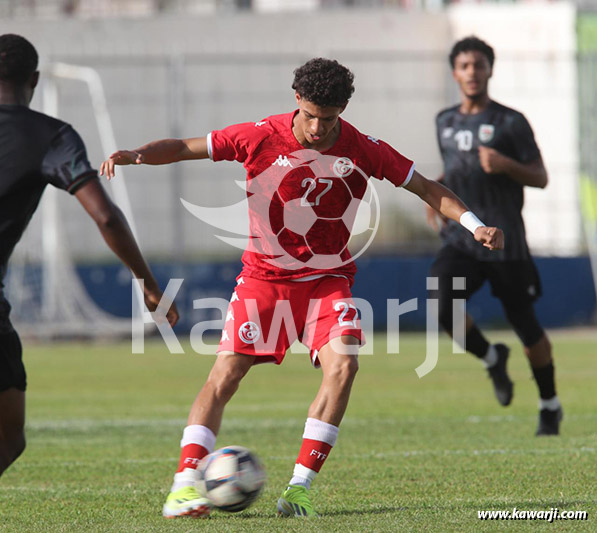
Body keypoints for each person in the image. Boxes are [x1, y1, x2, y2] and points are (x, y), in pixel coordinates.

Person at [101, 57, 503, 519]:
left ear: (343, 110)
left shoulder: (363, 148)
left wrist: (474, 225)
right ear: (297, 100)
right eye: (310, 114)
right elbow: (187, 146)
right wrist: (137, 154)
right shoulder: (258, 135)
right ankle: (184, 486)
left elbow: (428, 188)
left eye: (328, 118)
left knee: (345, 367)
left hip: (326, 283)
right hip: (263, 281)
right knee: (224, 376)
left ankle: (298, 490)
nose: (316, 127)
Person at [0, 34, 179, 477]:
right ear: (35, 80)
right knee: (8, 435)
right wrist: (148, 284)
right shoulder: (50, 136)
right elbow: (106, 218)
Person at [426, 36, 562, 436]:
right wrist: (436, 190)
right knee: (441, 301)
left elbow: (540, 177)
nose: (472, 72)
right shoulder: (444, 121)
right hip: (462, 239)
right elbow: (456, 168)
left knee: (526, 326)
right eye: (465, 65)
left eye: (479, 65)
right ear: (455, 72)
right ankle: (491, 359)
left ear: (489, 69)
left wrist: (505, 163)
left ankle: (549, 405)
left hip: (507, 243)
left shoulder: (510, 122)